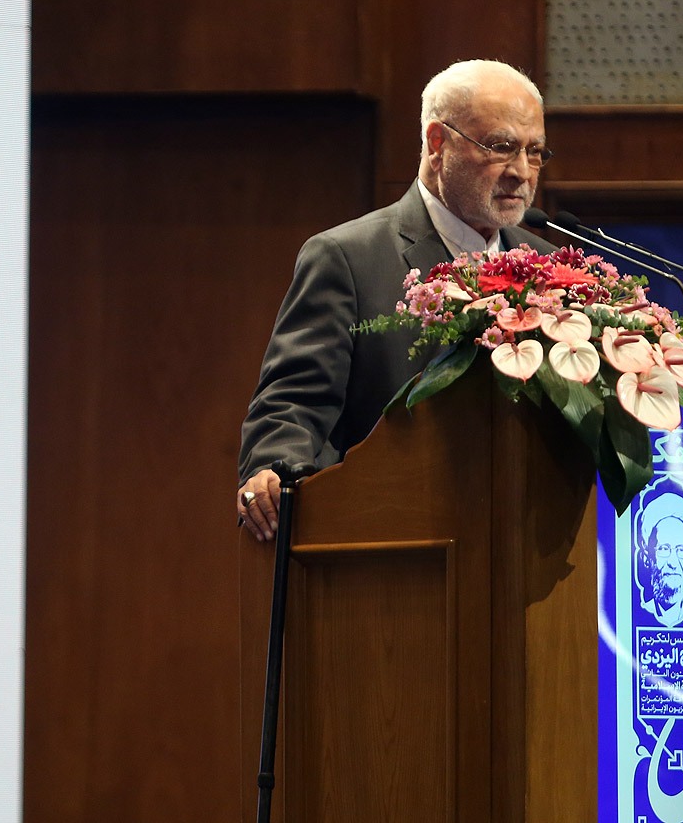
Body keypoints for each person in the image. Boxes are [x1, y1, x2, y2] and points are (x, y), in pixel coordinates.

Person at [238, 60, 555, 541]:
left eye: (534, 151)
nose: (520, 172)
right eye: (501, 147)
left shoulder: (548, 266)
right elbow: (293, 402)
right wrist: (273, 469)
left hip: (520, 542)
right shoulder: (348, 258)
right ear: (437, 143)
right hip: (391, 541)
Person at [637, 489, 683, 628]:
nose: (673, 563)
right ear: (647, 559)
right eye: (663, 549)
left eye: (681, 550)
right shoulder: (640, 612)